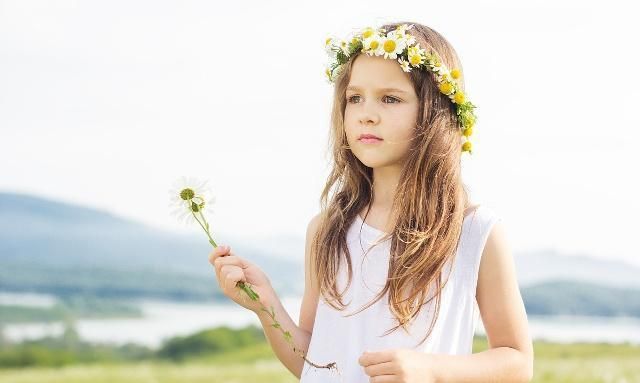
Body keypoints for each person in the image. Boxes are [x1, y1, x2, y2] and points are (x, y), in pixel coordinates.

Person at [209, 21, 534, 383]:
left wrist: (431, 370)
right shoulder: (327, 230)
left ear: (435, 111)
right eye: (354, 98)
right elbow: (316, 363)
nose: (366, 112)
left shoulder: (473, 232)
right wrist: (267, 305)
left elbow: (517, 362)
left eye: (390, 98)